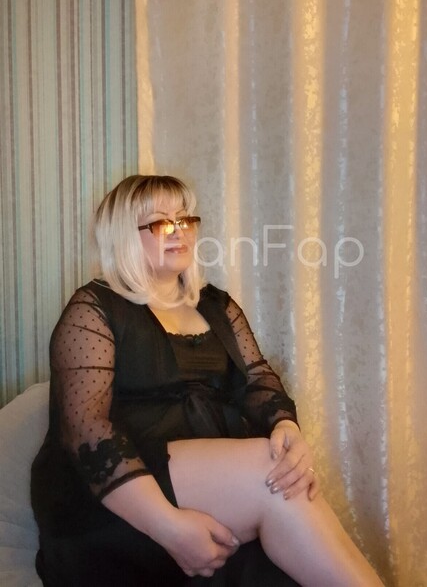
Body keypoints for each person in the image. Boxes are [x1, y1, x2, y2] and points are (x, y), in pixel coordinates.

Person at [31, 174, 383, 587]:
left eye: (184, 219)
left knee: (289, 482)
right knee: (268, 470)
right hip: (113, 498)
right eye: (161, 222)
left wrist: (287, 428)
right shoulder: (94, 306)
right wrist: (169, 527)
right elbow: (87, 431)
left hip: (204, 484)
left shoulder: (216, 304)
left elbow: (258, 380)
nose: (178, 230)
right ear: (122, 235)